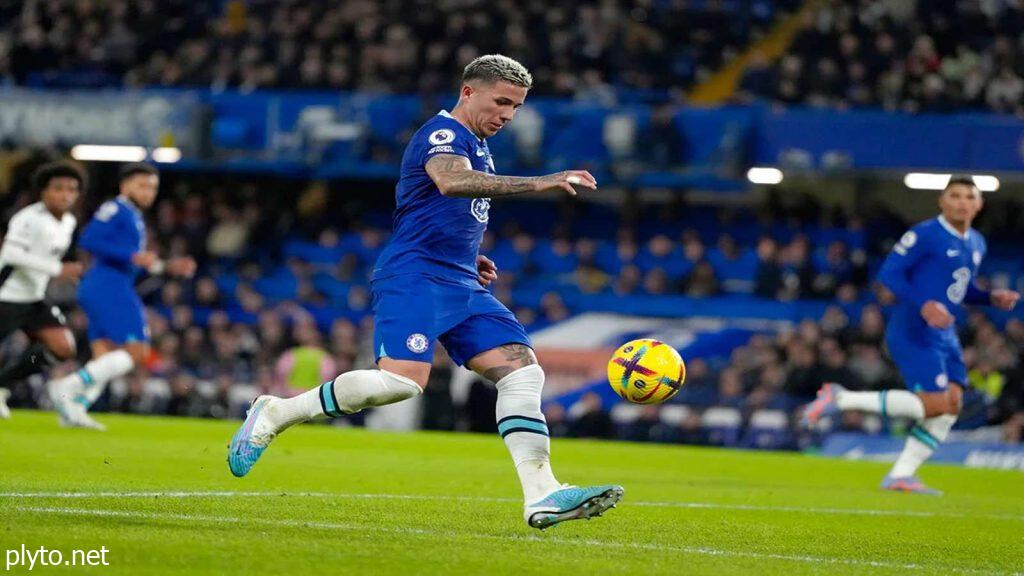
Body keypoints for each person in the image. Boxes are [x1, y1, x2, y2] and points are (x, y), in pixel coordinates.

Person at [228, 54, 623, 529]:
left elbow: (438, 206)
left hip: (458, 277)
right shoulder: (443, 135)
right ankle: (275, 412)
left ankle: (542, 494)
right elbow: (450, 181)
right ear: (468, 92)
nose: (508, 115)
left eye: (516, 107)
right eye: (501, 102)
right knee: (401, 383)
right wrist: (542, 181)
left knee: (522, 374)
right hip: (415, 275)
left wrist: (467, 253)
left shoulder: (477, 142)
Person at [803, 176, 1020, 494]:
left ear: (979, 204)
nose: (962, 202)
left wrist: (989, 297)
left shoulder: (976, 242)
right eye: (955, 195)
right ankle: (841, 398)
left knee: (952, 406)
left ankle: (901, 475)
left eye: (968, 196)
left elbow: (959, 289)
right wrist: (924, 304)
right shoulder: (926, 234)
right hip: (913, 330)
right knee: (933, 405)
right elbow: (889, 273)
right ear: (941, 201)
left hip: (945, 334)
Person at [47, 163, 196, 430]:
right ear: (125, 186)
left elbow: (132, 260)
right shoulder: (116, 208)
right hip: (109, 286)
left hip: (103, 284)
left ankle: (75, 407)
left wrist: (166, 266)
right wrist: (131, 256)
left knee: (104, 354)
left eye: (152, 187)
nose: (148, 192)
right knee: (137, 352)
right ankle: (68, 385)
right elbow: (89, 240)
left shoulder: (133, 216)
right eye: (142, 185)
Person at [0, 162, 85, 419]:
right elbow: (10, 253)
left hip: (35, 298)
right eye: (58, 188)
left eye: (71, 189)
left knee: (62, 347)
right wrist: (55, 268)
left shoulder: (68, 221)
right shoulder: (28, 218)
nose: (65, 195)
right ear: (43, 192)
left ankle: (2, 385)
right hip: (7, 295)